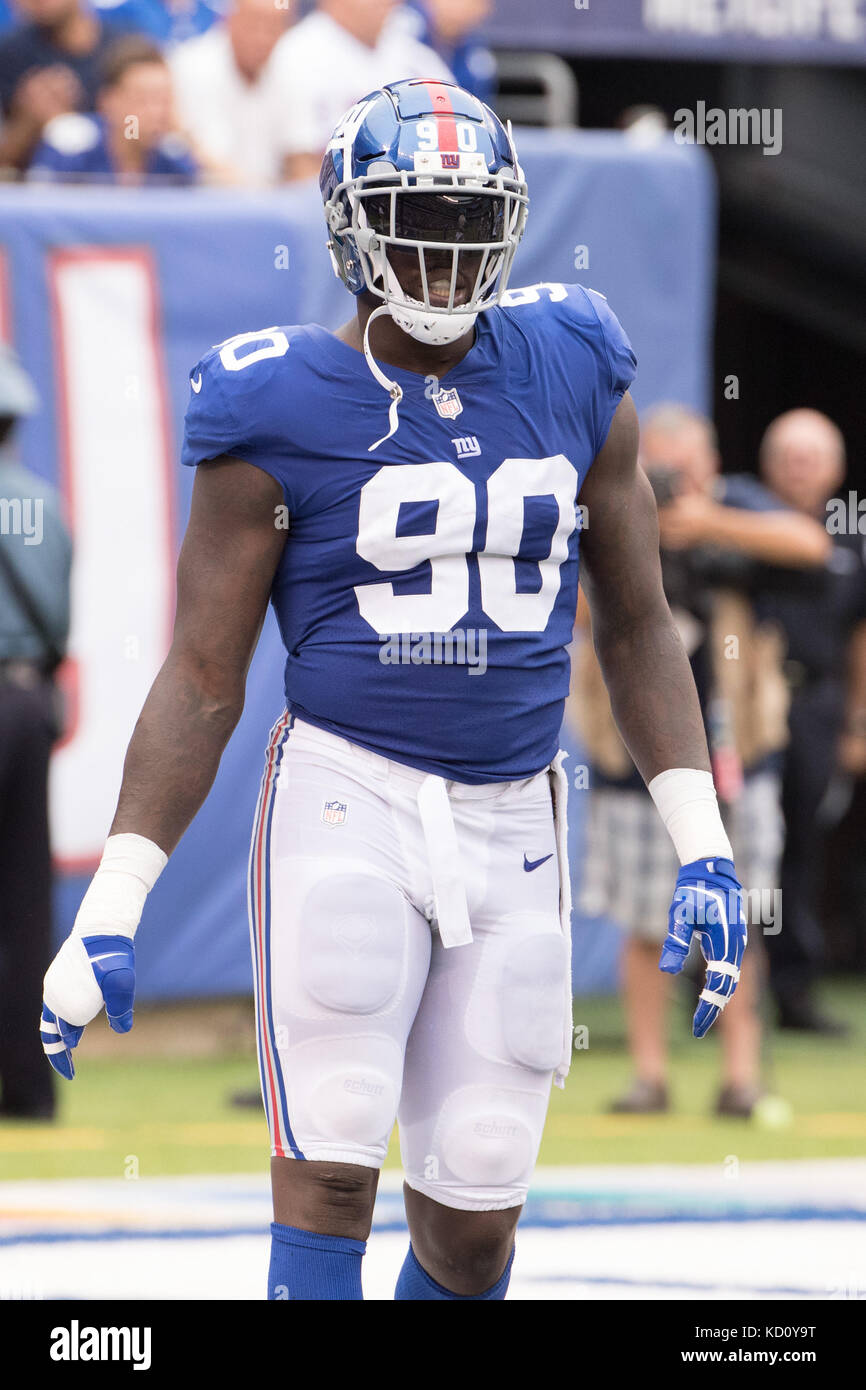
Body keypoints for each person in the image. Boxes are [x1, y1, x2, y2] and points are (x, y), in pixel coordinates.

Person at [40, 80, 747, 1301]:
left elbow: (636, 622)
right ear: (348, 225)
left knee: (473, 1221)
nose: (444, 245)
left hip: (516, 810)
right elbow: (204, 676)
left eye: (471, 216)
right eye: (414, 213)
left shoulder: (576, 357)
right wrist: (116, 894)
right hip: (343, 796)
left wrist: (704, 842)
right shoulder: (275, 395)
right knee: (329, 1174)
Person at [573, 403, 831, 1116]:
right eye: (656, 472)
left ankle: (740, 1079)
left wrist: (706, 523)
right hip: (637, 760)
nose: (670, 486)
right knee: (645, 921)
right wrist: (641, 542)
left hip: (737, 752)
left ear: (712, 469)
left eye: (684, 472)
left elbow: (813, 545)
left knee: (738, 916)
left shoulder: (737, 512)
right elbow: (571, 606)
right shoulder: (608, 513)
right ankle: (649, 1075)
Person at [757, 409, 866, 1033]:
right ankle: (714, 989)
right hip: (746, 713)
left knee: (801, 849)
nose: (799, 468)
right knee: (737, 849)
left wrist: (855, 724)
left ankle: (794, 994)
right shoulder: (741, 519)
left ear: (837, 467)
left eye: (812, 456)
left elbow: (859, 638)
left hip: (817, 708)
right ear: (769, 464)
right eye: (789, 455)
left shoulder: (848, 536)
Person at [0, 347, 71, 1121]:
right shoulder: (42, 506)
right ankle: (28, 1088)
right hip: (27, 704)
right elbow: (60, 623)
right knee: (24, 905)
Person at [268, 0, 452, 182]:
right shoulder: (298, 53)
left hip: (416, 194)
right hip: (333, 202)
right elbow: (300, 167)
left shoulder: (416, 56)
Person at [28, 35, 198, 183]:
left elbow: (213, 193)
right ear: (108, 101)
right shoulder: (71, 144)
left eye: (164, 100)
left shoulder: (173, 156)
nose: (156, 112)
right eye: (142, 99)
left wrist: (191, 144)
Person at [0, 0, 135, 171]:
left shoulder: (126, 46)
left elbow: (144, 132)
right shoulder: (8, 54)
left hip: (112, 184)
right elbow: (4, 160)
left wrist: (127, 125)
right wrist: (29, 121)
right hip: (36, 186)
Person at [169, 0, 294, 185]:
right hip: (200, 203)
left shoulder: (292, 71)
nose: (262, 38)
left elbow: (299, 158)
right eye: (253, 25)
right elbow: (188, 153)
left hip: (273, 205)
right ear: (228, 20)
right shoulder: (188, 67)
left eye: (273, 28)